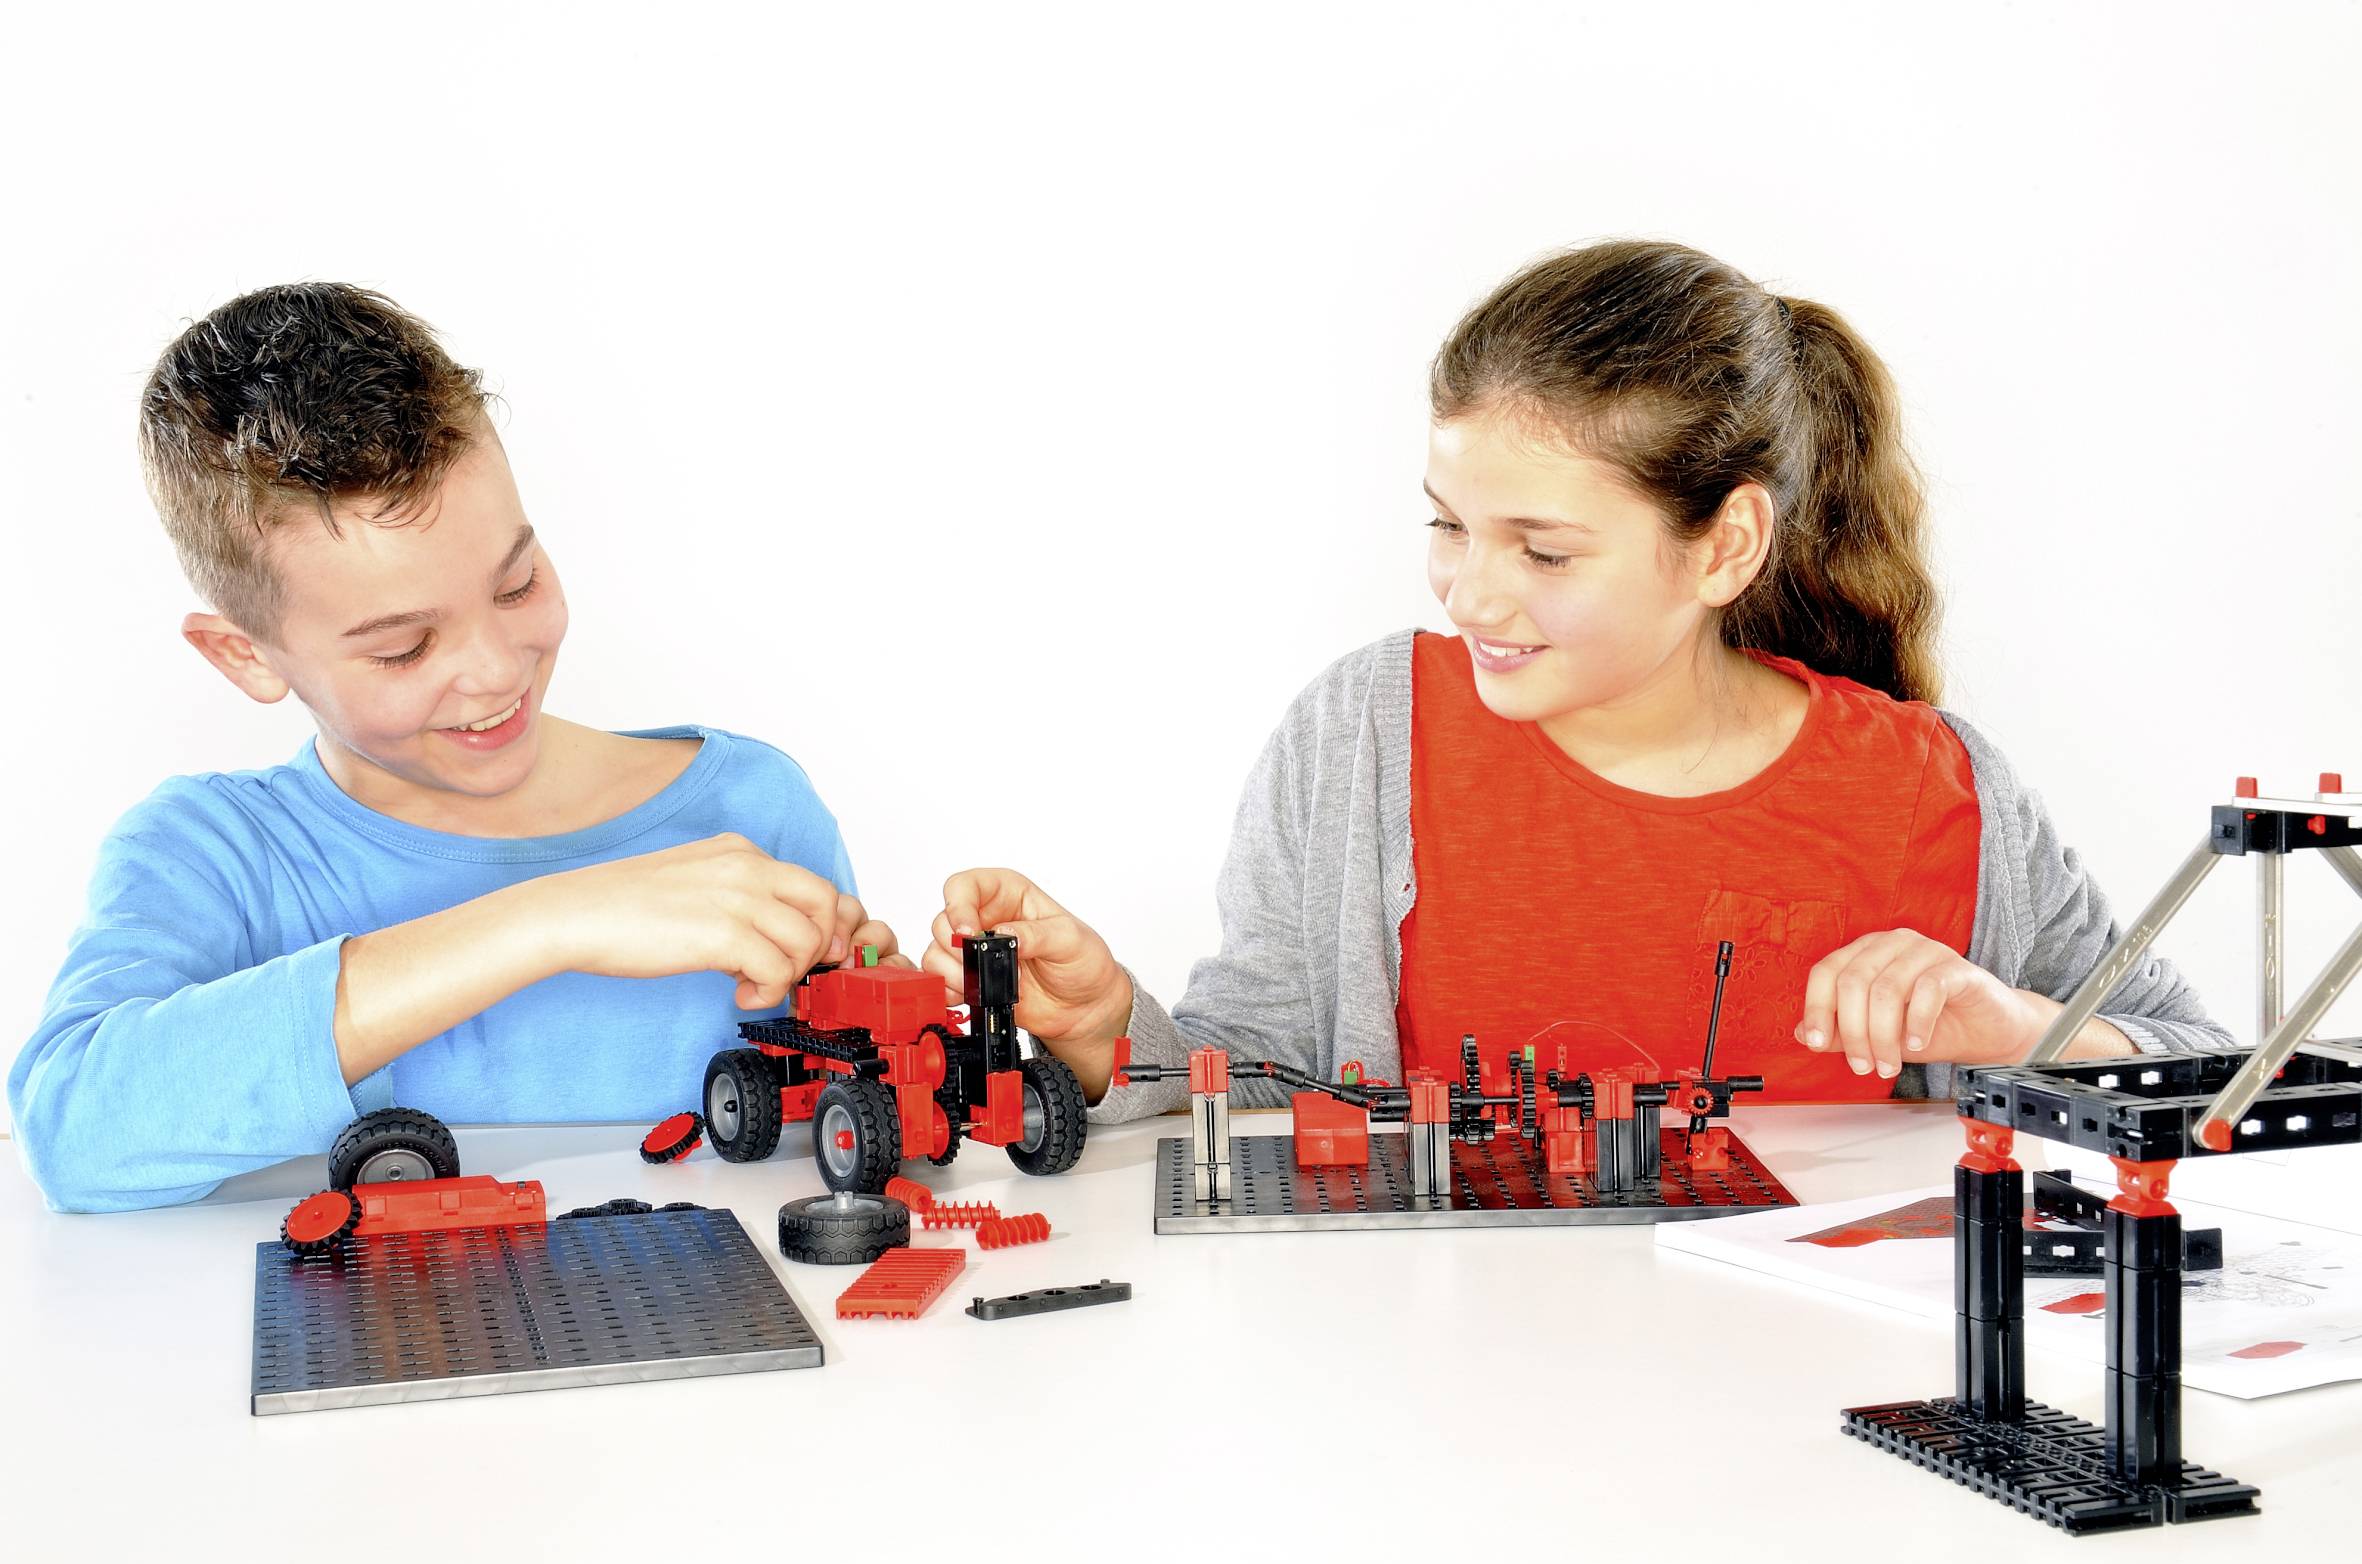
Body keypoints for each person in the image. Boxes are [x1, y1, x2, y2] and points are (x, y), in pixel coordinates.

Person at [919, 239, 2228, 1123]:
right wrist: (1106, 1033)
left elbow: (2221, 1081)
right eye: (1448, 524)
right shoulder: (1361, 736)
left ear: (1723, 545)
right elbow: (1262, 1104)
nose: (1468, 592)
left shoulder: (1936, 792)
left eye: (1541, 548)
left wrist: (2023, 1027)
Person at [11, 283, 901, 1211]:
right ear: (245, 654)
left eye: (515, 585)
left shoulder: (749, 809)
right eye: (404, 646)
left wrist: (1064, 1058)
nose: (493, 670)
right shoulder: (216, 853)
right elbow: (74, 1128)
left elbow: (879, 1137)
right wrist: (551, 918)